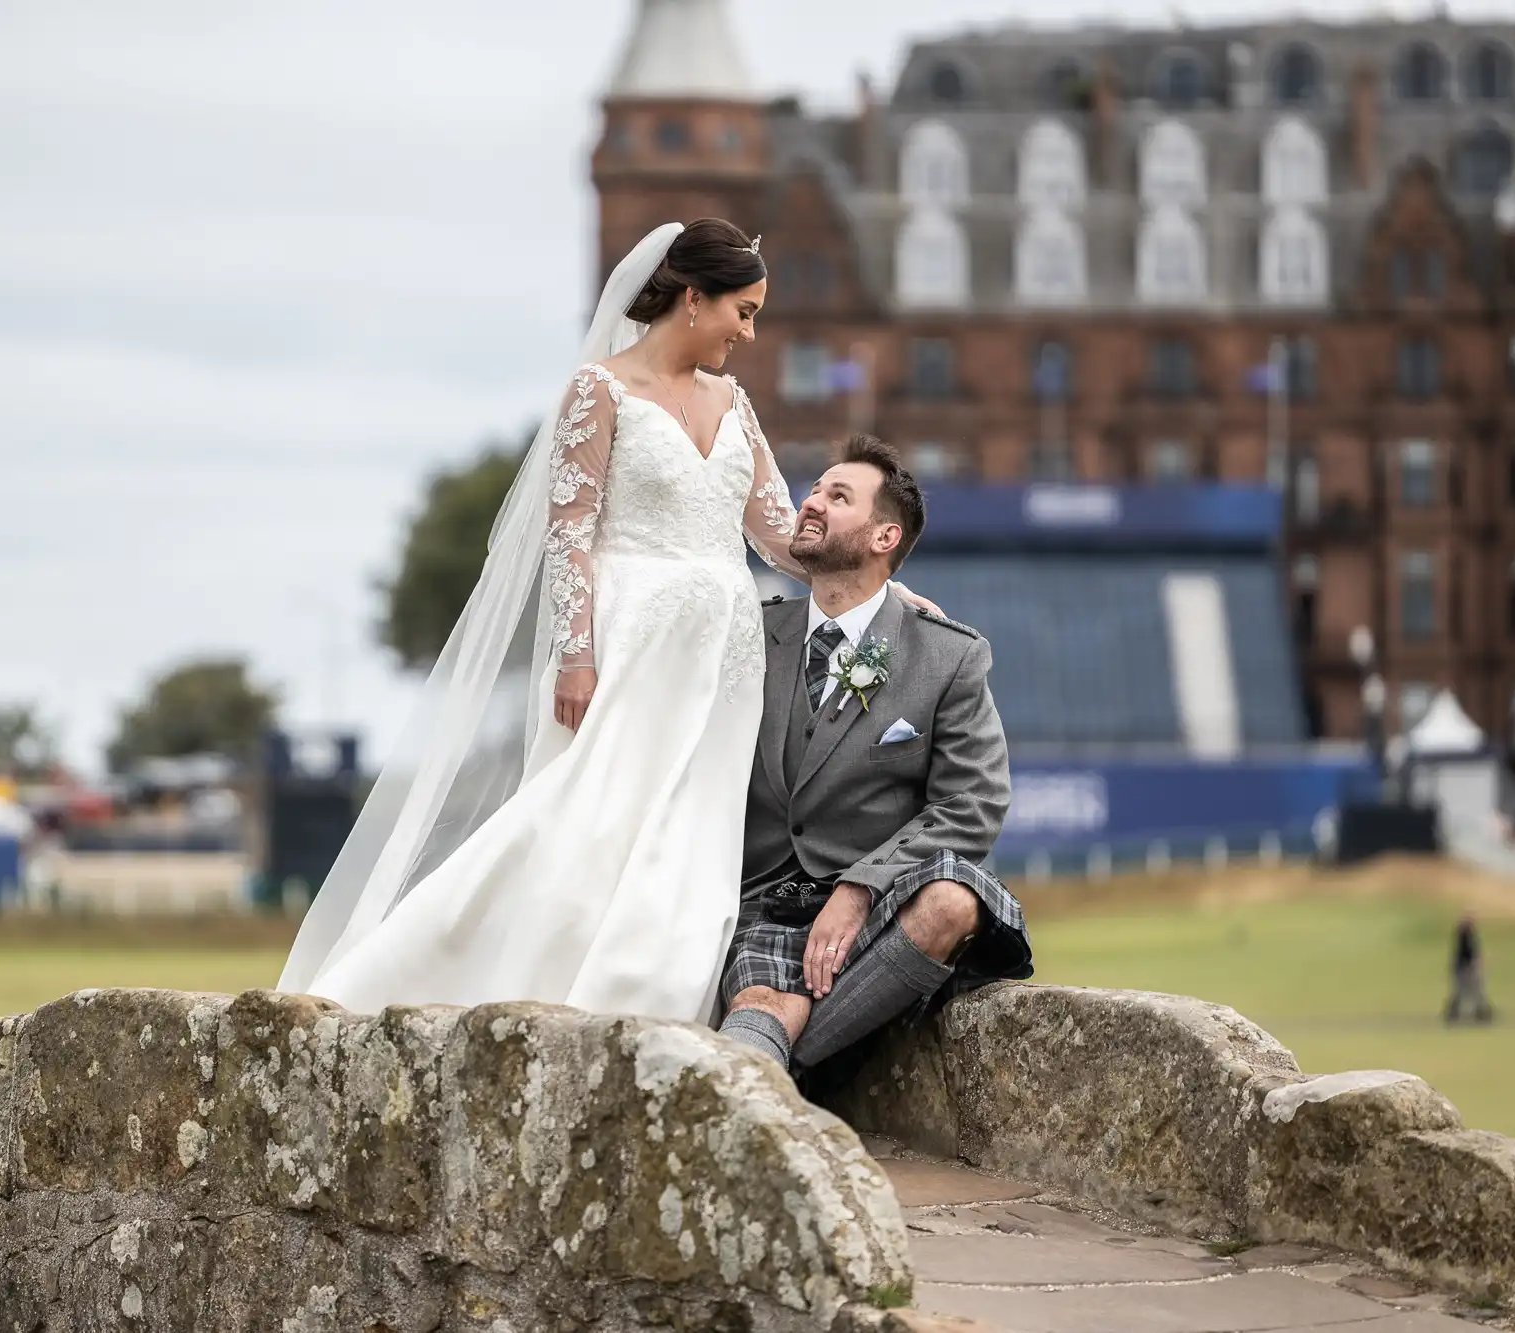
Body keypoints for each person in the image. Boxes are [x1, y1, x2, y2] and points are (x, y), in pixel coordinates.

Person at [280, 220, 936, 1020]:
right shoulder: (601, 389)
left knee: (691, 835)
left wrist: (882, 594)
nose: (751, 332)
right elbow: (570, 531)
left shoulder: (735, 401)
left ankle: (651, 1005)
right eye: (744, 310)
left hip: (722, 657)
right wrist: (577, 654)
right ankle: (427, 978)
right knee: (585, 820)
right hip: (631, 641)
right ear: (695, 298)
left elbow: (775, 535)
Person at [715, 438, 1032, 1072]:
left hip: (885, 899)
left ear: (884, 537)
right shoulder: (750, 635)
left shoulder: (948, 655)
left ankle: (776, 1059)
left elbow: (974, 802)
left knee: (954, 900)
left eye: (838, 497)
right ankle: (789, 1062)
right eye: (814, 490)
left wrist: (861, 887)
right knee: (762, 1001)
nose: (811, 503)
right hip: (768, 897)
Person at [1444, 912, 1493, 1024]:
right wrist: (1477, 963)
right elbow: (1469, 953)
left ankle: (1480, 1013)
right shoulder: (1465, 936)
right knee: (1467, 991)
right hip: (1465, 967)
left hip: (1464, 967)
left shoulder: (1466, 935)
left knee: (1471, 991)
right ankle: (1478, 1013)